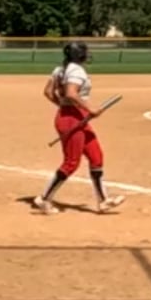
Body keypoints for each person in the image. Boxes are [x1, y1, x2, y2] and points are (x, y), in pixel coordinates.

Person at [33, 42, 124, 215]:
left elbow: (48, 92)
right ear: (79, 55)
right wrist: (90, 109)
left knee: (96, 157)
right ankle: (44, 198)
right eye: (85, 52)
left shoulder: (60, 70)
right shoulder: (76, 70)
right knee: (71, 163)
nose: (88, 54)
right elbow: (71, 93)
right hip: (71, 119)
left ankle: (103, 200)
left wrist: (63, 105)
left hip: (74, 116)